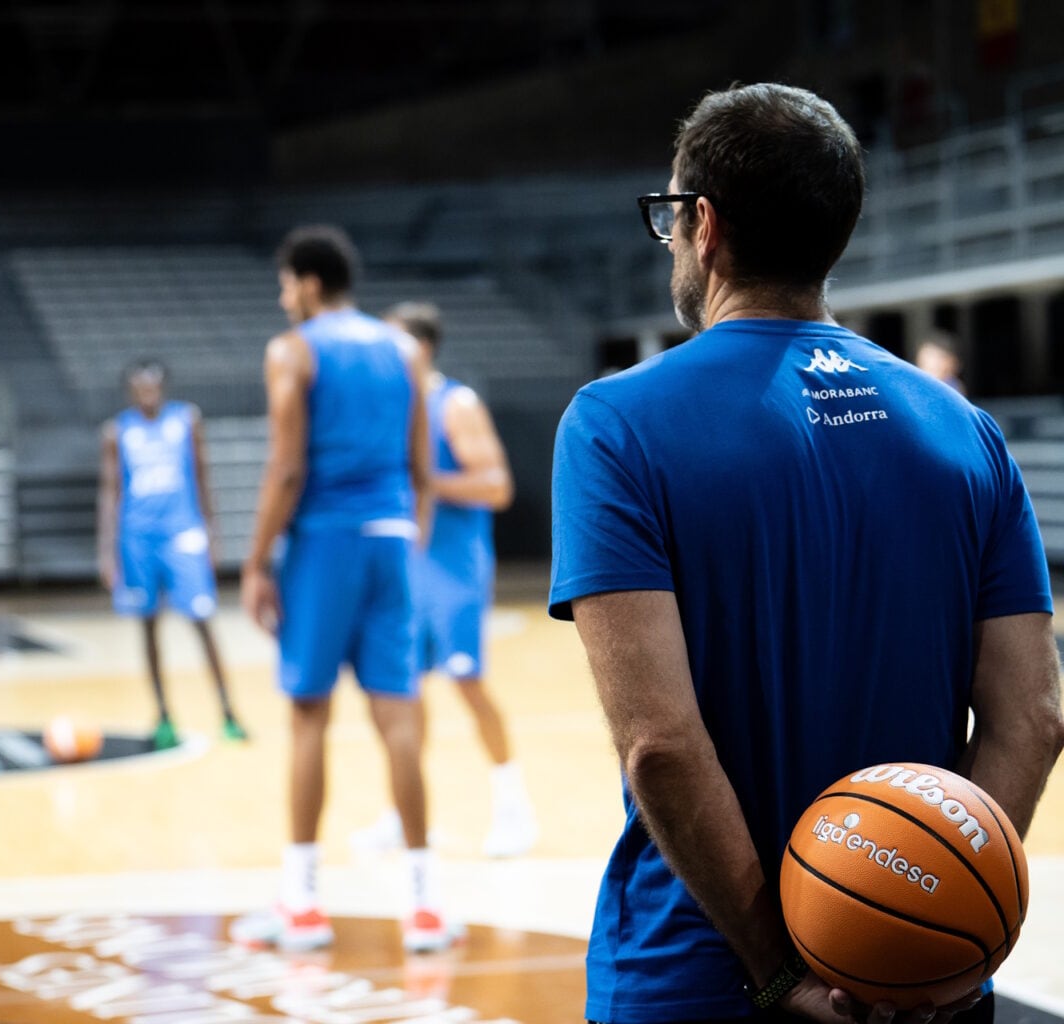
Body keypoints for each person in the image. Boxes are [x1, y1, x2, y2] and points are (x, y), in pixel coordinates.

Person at [549, 83, 1064, 1023]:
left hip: (699, 975)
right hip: (927, 992)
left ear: (703, 226)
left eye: (670, 214)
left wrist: (783, 973)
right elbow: (1032, 715)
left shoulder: (615, 424)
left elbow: (660, 745)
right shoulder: (965, 431)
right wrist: (939, 922)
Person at [232, 225, 456, 954]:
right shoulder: (404, 350)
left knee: (308, 719)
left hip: (325, 543)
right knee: (400, 722)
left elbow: (287, 469)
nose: (281, 296)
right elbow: (423, 470)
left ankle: (301, 903)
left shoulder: (291, 350)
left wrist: (258, 561)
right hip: (391, 540)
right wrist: (409, 534)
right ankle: (423, 907)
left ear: (306, 282)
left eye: (284, 283)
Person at [350, 301, 538, 858]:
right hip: (407, 566)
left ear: (421, 347)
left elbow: (497, 485)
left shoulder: (455, 403)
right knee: (401, 692)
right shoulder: (393, 408)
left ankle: (513, 808)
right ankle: (402, 816)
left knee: (467, 684)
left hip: (454, 569)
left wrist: (425, 479)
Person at [97, 359, 246, 750]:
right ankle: (163, 715)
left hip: (182, 534)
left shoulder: (186, 420)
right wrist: (107, 552)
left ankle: (228, 713)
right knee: (148, 628)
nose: (147, 392)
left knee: (202, 621)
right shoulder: (117, 431)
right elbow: (110, 494)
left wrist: (212, 531)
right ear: (130, 391)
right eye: (140, 386)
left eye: (153, 385)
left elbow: (202, 476)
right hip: (137, 539)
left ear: (163, 387)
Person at [914, 329, 967, 394]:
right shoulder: (914, 383)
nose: (932, 362)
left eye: (939, 357)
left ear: (954, 364)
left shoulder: (952, 389)